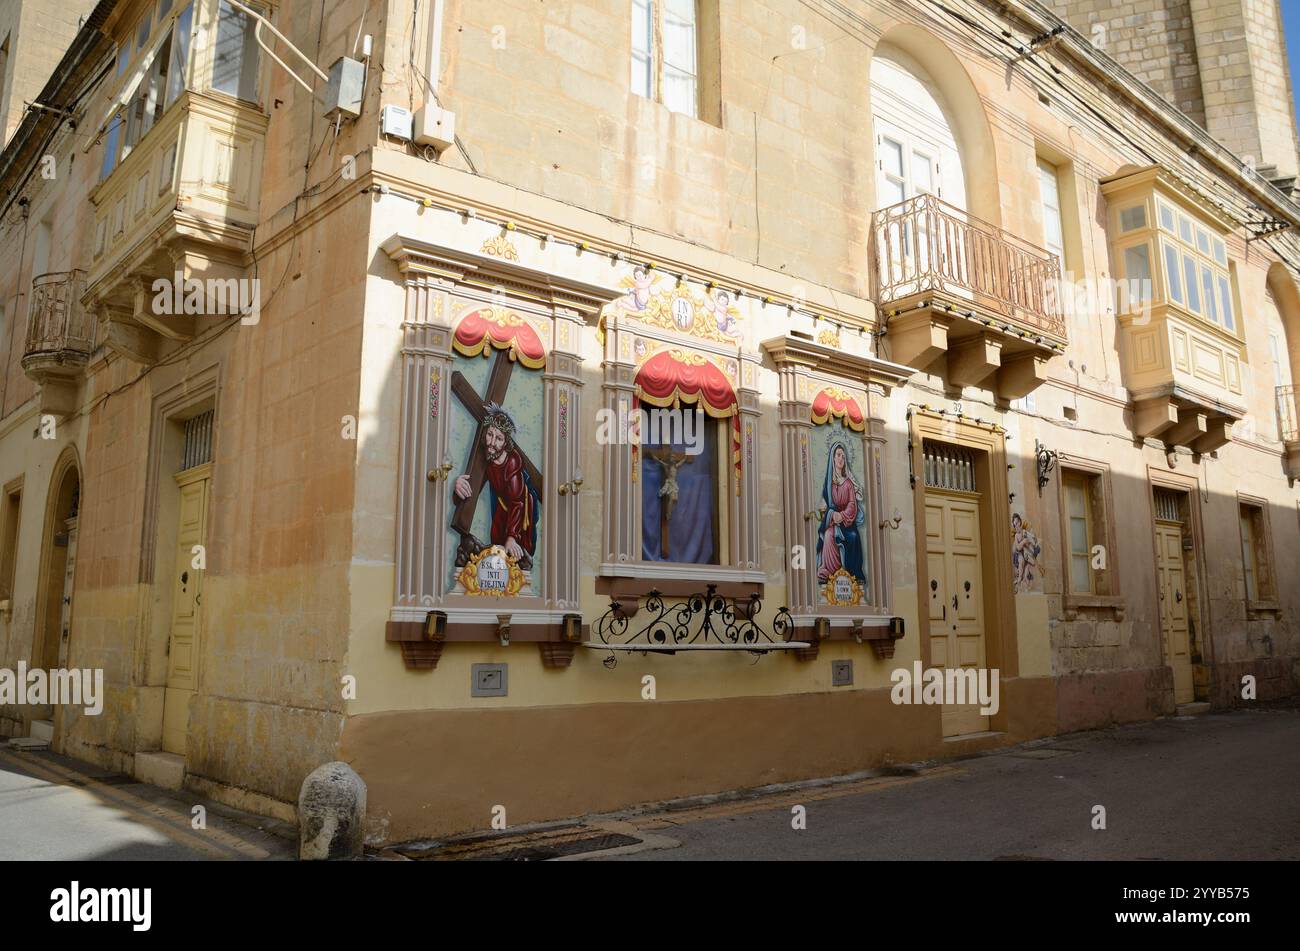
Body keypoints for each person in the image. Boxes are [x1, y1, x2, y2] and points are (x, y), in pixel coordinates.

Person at [454, 403, 540, 562]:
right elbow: (470, 484)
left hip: (520, 509)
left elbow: (517, 502)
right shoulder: (487, 458)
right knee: (496, 539)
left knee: (512, 549)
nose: (491, 442)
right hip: (501, 504)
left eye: (499, 438)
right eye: (490, 434)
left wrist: (512, 537)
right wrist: (458, 484)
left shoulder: (512, 466)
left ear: (506, 442)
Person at [816, 442, 867, 583]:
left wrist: (842, 515)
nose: (841, 459)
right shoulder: (829, 484)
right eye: (838, 455)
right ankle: (829, 571)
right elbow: (825, 503)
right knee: (828, 535)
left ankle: (853, 573)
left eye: (843, 457)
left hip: (847, 522)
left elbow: (852, 505)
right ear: (832, 458)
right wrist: (832, 514)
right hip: (833, 521)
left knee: (854, 537)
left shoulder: (848, 483)